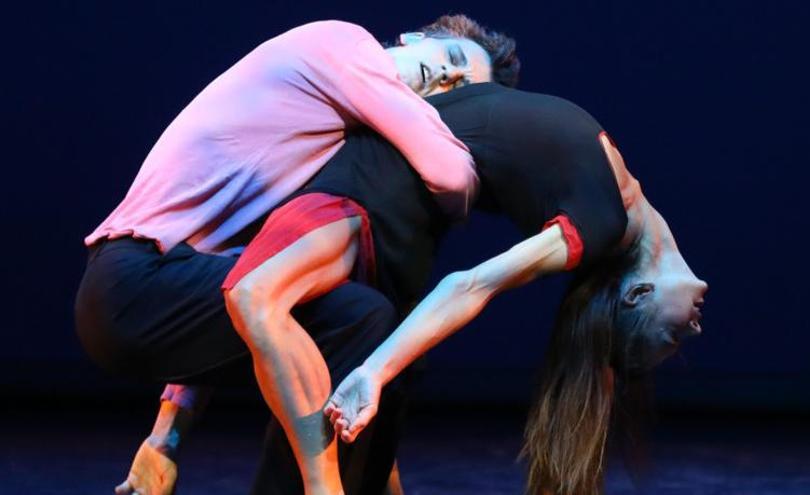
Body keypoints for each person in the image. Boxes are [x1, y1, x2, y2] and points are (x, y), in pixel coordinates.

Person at [183, 82, 707, 495]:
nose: (695, 325)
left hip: (374, 195)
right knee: (369, 390)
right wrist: (376, 370)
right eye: (676, 338)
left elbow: (474, 285)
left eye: (677, 335)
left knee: (375, 397)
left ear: (637, 296)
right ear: (636, 296)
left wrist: (376, 370)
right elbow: (470, 282)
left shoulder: (600, 224)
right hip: (365, 189)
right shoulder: (608, 217)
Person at [74, 15, 520, 495]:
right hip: (131, 281)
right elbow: (453, 177)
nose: (447, 80)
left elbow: (238, 279)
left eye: (461, 87)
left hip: (151, 294)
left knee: (372, 329)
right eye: (450, 60)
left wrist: (165, 440)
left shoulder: (324, 137)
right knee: (360, 316)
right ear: (415, 39)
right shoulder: (345, 44)